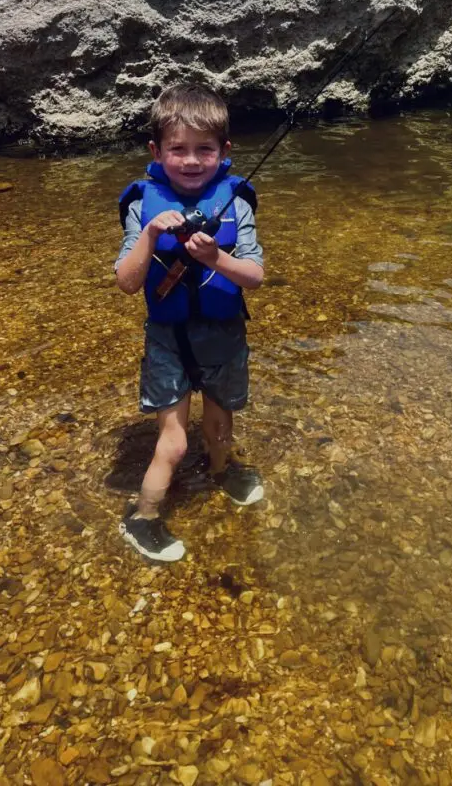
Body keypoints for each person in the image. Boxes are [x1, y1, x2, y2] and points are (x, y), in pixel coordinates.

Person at [114, 83, 265, 562]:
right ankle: (143, 518)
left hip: (223, 334)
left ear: (224, 152)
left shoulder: (235, 203)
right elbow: (126, 282)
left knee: (221, 427)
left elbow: (256, 277)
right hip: (169, 339)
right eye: (178, 150)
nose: (192, 161)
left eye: (205, 149)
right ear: (156, 152)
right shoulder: (144, 205)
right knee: (174, 443)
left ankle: (222, 471)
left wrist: (217, 257)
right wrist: (152, 233)